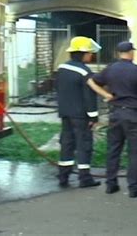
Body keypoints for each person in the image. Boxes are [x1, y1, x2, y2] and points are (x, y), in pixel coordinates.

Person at [88, 41, 137, 198]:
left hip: (115, 114)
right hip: (132, 115)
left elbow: (91, 81)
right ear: (131, 53)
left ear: (118, 53)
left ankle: (111, 184)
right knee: (134, 152)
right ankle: (134, 188)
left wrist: (105, 95)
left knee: (113, 150)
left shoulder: (110, 69)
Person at [56, 36, 102, 188]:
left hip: (65, 114)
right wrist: (93, 116)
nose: (91, 55)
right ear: (82, 54)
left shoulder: (62, 68)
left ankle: (64, 176)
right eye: (89, 53)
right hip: (81, 116)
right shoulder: (84, 71)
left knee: (67, 143)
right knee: (84, 144)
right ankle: (85, 178)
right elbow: (89, 96)